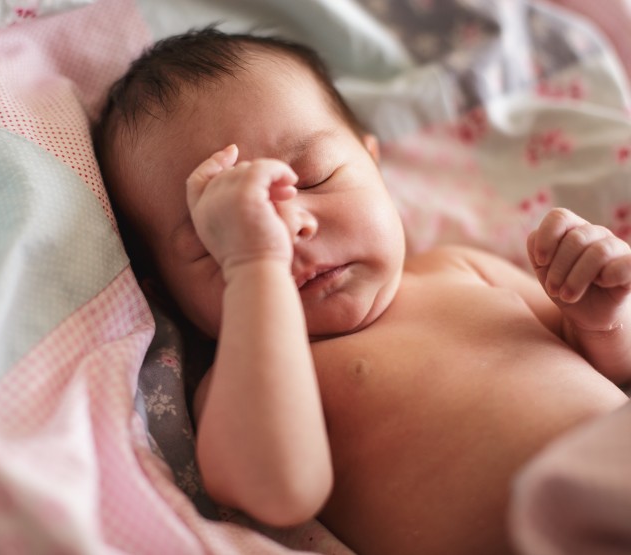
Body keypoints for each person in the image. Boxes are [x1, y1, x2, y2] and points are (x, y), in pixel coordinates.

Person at [93, 28, 631, 555]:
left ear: (373, 163)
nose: (288, 226)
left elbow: (610, 370)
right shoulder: (241, 385)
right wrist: (255, 265)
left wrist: (599, 319)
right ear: (164, 294)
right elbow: (277, 489)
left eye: (312, 177)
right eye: (218, 236)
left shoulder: (460, 266)